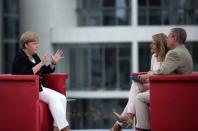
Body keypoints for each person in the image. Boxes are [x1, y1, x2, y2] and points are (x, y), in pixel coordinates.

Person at [135, 27, 193, 131]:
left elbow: (162, 71)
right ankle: (128, 118)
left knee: (139, 97)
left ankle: (142, 128)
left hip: (172, 91)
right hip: (180, 89)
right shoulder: (184, 50)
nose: (166, 39)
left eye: (168, 37)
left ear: (174, 38)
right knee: (136, 87)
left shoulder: (174, 53)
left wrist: (147, 75)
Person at [12, 31, 69, 131]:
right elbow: (25, 75)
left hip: (39, 88)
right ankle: (64, 128)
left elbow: (45, 71)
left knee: (62, 98)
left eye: (38, 43)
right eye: (34, 44)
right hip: (29, 90)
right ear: (26, 44)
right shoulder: (19, 57)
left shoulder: (35, 56)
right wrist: (41, 63)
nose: (37, 46)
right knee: (54, 99)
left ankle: (56, 127)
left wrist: (53, 63)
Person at [110, 33, 169, 131]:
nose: (151, 45)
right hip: (152, 84)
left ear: (160, 45)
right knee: (135, 84)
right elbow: (152, 71)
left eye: (153, 43)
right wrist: (144, 77)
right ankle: (127, 117)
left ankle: (120, 123)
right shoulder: (154, 56)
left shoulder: (167, 58)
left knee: (136, 94)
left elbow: (161, 74)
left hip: (160, 87)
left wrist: (149, 76)